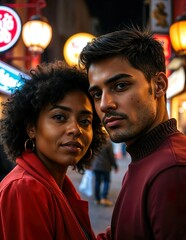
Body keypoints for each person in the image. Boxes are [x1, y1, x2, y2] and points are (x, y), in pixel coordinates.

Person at [79, 26, 186, 239]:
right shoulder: (146, 156)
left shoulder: (172, 171)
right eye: (97, 93)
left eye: (120, 86)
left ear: (159, 85)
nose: (104, 105)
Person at [0, 60, 106, 240]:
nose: (75, 129)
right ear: (31, 127)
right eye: (59, 117)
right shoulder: (25, 188)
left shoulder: (57, 182)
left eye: (85, 121)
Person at [92, 137, 118, 206]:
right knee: (106, 181)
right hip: (105, 166)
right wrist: (115, 166)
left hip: (96, 165)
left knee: (97, 181)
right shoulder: (108, 143)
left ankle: (97, 199)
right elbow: (111, 156)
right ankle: (104, 198)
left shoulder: (95, 141)